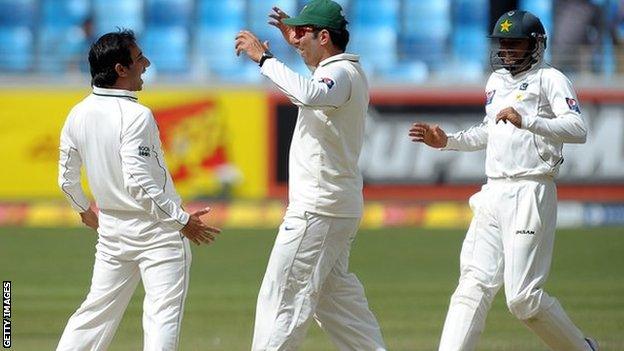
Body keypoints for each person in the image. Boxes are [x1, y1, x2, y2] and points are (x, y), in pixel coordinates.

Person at [409, 10, 599, 351]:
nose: (507, 50)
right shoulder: (495, 82)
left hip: (531, 190)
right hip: (493, 191)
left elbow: (578, 129)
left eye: (515, 43)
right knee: (472, 284)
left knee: (523, 299)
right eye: (503, 43)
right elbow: (490, 132)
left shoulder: (551, 79)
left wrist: (528, 120)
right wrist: (448, 140)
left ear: (536, 45)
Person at [235, 1, 387, 350]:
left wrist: (264, 59)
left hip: (319, 210)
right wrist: (297, 45)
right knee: (339, 307)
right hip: (333, 207)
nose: (296, 38)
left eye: (304, 33)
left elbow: (310, 93)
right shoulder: (339, 72)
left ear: (324, 35)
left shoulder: (342, 73)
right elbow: (313, 86)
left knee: (282, 301)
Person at [56, 29, 220, 351]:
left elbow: (66, 178)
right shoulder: (136, 115)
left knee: (94, 315)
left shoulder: (77, 113)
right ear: (121, 69)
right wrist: (181, 221)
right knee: (161, 320)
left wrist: (83, 209)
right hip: (158, 232)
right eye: (138, 58)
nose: (146, 63)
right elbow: (140, 182)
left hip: (112, 229)